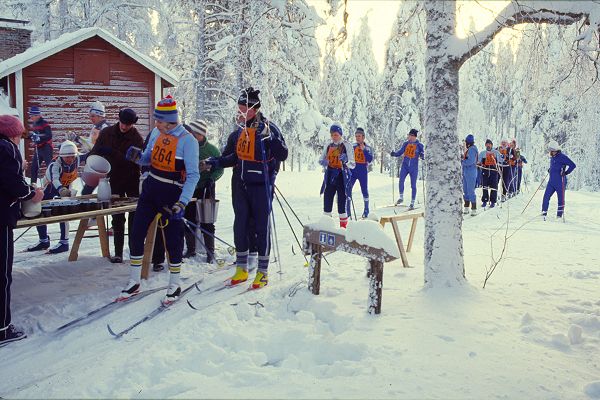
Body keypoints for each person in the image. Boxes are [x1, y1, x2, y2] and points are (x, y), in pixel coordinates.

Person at [203, 87, 288, 289]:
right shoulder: (237, 133)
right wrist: (214, 162)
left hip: (261, 185)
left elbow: (283, 155)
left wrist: (270, 139)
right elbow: (232, 157)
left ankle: (263, 271)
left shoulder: (269, 128)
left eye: (243, 109)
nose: (239, 112)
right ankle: (242, 267)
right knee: (240, 224)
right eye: (238, 108)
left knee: (261, 225)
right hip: (240, 184)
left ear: (253, 109)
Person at [121, 95, 200, 303]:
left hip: (171, 194)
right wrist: (138, 157)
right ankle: (134, 280)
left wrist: (182, 202)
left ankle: (174, 283)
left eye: (159, 120)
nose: (155, 124)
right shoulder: (157, 132)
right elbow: (148, 157)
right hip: (150, 189)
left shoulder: (188, 141)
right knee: (137, 232)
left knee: (173, 241)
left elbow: (193, 175)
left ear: (171, 121)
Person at [0, 115, 44, 345]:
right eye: (19, 135)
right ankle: (3, 329)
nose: (19, 140)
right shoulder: (7, 148)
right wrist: (32, 194)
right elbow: (14, 183)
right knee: (2, 275)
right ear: (14, 134)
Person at [89, 108, 144, 263]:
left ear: (133, 124)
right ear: (118, 119)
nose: (124, 127)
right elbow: (95, 152)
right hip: (113, 179)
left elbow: (133, 161)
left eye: (128, 124)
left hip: (131, 178)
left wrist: (112, 152)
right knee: (117, 217)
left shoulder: (137, 139)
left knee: (134, 217)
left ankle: (135, 252)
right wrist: (94, 158)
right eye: (123, 123)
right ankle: (118, 253)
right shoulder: (106, 133)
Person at [25, 140, 89, 254]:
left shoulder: (77, 158)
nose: (70, 159)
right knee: (39, 211)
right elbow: (55, 179)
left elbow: (89, 153)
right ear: (62, 156)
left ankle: (64, 242)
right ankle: (43, 240)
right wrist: (61, 189)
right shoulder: (55, 164)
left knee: (63, 213)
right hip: (51, 188)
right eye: (67, 157)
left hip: (65, 188)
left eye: (72, 157)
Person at [182, 119, 223, 262]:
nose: (191, 135)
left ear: (200, 134)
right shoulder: (186, 145)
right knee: (189, 218)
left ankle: (210, 252)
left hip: (206, 188)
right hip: (189, 187)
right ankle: (191, 249)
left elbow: (220, 168)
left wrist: (212, 178)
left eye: (194, 133)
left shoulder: (212, 150)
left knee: (207, 221)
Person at [319, 123, 355, 227]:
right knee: (327, 200)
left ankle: (343, 228)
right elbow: (321, 158)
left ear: (340, 134)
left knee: (341, 203)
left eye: (336, 134)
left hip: (341, 176)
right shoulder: (328, 145)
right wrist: (323, 162)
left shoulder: (346, 145)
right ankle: (326, 225)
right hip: (330, 175)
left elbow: (353, 164)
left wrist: (346, 160)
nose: (334, 137)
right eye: (332, 135)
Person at [390, 128, 425, 209]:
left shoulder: (420, 145)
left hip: (414, 168)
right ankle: (401, 198)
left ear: (414, 136)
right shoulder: (405, 144)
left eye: (410, 135)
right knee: (401, 180)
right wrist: (394, 154)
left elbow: (423, 154)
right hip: (405, 166)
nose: (408, 137)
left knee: (413, 185)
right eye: (408, 135)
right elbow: (400, 152)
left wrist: (422, 156)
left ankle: (412, 202)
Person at [541, 140, 576, 220]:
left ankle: (559, 216)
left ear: (555, 150)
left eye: (551, 150)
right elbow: (555, 166)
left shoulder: (562, 157)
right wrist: (550, 169)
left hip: (560, 182)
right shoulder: (552, 157)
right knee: (546, 197)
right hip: (551, 182)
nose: (550, 152)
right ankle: (543, 213)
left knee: (561, 199)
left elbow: (573, 165)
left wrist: (566, 172)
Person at [350, 127, 374, 218]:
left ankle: (366, 209)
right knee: (348, 190)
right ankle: (347, 211)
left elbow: (370, 159)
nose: (357, 138)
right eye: (356, 136)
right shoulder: (353, 146)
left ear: (363, 137)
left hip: (362, 171)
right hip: (352, 170)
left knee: (364, 190)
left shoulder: (368, 148)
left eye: (359, 136)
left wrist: (363, 149)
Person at [27, 106, 53, 185]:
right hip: (38, 148)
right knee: (34, 167)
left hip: (46, 148)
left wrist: (38, 137)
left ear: (37, 115)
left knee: (50, 167)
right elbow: (35, 135)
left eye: (32, 115)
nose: (31, 117)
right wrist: (30, 136)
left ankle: (53, 184)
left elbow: (49, 135)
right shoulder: (34, 124)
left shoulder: (44, 123)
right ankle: (33, 186)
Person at [478, 139, 503, 208]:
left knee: (494, 187)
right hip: (485, 172)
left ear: (491, 145)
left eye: (489, 144)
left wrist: (503, 157)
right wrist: (479, 164)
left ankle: (493, 201)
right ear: (485, 145)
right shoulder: (482, 153)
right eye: (487, 144)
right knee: (485, 187)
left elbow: (501, 160)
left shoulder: (496, 152)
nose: (488, 145)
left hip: (494, 172)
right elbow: (479, 161)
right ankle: (485, 201)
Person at [462, 134, 479, 216]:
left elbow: (470, 161)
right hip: (466, 171)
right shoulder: (469, 149)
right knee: (465, 189)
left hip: (471, 171)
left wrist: (462, 161)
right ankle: (466, 206)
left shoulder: (472, 149)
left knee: (470, 190)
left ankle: (474, 208)